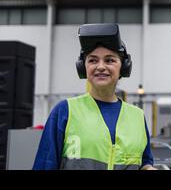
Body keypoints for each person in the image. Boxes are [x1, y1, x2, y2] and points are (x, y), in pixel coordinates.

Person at [33, 23, 155, 170]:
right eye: (93, 60)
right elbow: (45, 165)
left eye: (109, 60)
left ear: (123, 67)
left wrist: (148, 167)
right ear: (83, 67)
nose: (101, 66)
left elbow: (145, 161)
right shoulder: (65, 112)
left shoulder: (137, 117)